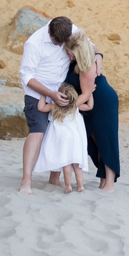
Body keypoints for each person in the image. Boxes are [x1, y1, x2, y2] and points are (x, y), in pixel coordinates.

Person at [18, 16, 78, 195]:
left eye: (63, 43)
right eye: (55, 42)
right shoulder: (34, 43)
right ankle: (26, 181)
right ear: (49, 31)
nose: (60, 45)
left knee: (60, 133)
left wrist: (98, 56)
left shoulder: (71, 29)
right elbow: (26, 76)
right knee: (37, 132)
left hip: (61, 91)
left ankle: (54, 177)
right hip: (37, 93)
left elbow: (89, 44)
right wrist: (50, 94)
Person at [63, 30, 121, 192]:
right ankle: (103, 179)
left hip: (102, 101)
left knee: (106, 141)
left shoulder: (86, 65)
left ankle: (109, 183)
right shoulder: (78, 59)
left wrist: (67, 107)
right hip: (89, 104)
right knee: (93, 143)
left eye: (70, 52)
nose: (68, 55)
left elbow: (86, 93)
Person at [33, 83, 91, 193]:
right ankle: (80, 186)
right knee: (77, 163)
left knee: (66, 162)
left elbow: (41, 108)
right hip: (75, 137)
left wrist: (44, 94)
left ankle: (68, 186)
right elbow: (89, 106)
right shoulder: (74, 106)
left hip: (62, 137)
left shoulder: (55, 105)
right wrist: (90, 93)